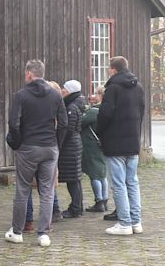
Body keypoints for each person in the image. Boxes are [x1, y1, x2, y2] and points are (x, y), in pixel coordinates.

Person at [5, 60, 67, 247]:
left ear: (30, 74)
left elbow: (14, 123)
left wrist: (16, 143)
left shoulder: (21, 96)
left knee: (23, 190)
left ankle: (17, 232)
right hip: (50, 146)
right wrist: (57, 144)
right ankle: (43, 234)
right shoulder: (56, 95)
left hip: (28, 147)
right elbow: (63, 123)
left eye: (26, 73)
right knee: (47, 191)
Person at [97, 56, 146, 236]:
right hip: (133, 141)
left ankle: (124, 222)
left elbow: (105, 115)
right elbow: (142, 112)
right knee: (132, 182)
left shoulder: (112, 89)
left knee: (118, 184)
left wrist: (100, 132)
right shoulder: (138, 87)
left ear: (113, 70)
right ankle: (136, 221)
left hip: (115, 142)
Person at [79, 87, 110, 215]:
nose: (94, 96)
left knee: (94, 174)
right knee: (102, 173)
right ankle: (104, 200)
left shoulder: (94, 111)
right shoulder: (106, 109)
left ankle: (99, 201)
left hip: (92, 146)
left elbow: (81, 122)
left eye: (96, 93)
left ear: (100, 96)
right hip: (103, 144)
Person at [60, 80, 86, 218]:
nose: (62, 91)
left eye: (64, 89)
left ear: (69, 91)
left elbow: (68, 129)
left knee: (73, 179)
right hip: (74, 144)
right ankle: (77, 206)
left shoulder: (71, 107)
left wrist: (59, 141)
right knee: (74, 178)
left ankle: (76, 208)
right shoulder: (75, 104)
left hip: (70, 145)